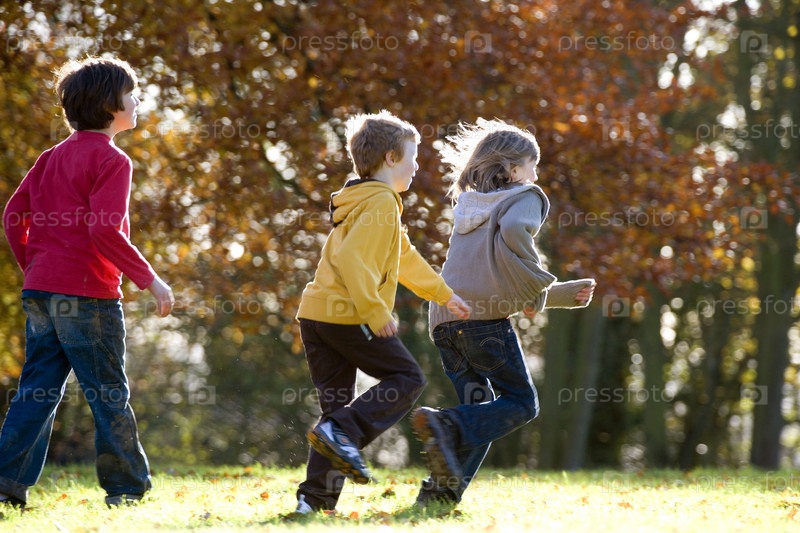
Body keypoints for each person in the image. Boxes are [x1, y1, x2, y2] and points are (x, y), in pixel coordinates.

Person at [0, 57, 174, 509]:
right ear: (109, 104)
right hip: (88, 296)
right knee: (108, 393)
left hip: (41, 292)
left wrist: (34, 267)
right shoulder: (113, 160)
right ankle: (126, 488)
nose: (138, 100)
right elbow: (104, 230)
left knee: (37, 391)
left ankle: (6, 483)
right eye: (131, 94)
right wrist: (150, 280)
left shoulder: (51, 157)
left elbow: (12, 216)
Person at [293, 110, 471, 514]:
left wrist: (443, 294)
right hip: (347, 314)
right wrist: (375, 311)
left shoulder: (363, 200)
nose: (416, 167)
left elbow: (403, 256)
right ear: (391, 158)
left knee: (335, 411)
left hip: (317, 316)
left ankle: (312, 503)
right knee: (407, 378)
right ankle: (342, 432)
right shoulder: (382, 203)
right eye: (413, 158)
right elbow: (354, 260)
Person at [412, 119, 596, 506]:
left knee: (481, 415)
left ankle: (439, 497)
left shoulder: (470, 204)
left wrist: (551, 295)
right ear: (513, 170)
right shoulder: (525, 196)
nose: (536, 175)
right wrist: (539, 282)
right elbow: (514, 232)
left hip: (444, 321)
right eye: (533, 165)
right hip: (483, 325)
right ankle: (446, 424)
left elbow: (490, 272)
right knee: (521, 404)